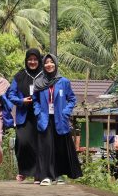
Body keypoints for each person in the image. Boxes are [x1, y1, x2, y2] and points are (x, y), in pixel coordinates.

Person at [33, 53, 83, 186]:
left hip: (60, 119)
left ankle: (59, 175)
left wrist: (66, 112)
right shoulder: (38, 82)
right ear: (43, 65)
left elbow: (72, 99)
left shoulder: (64, 81)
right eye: (46, 63)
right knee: (46, 147)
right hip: (44, 118)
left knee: (59, 147)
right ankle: (46, 176)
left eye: (51, 62)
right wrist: (38, 112)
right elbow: (35, 100)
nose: (49, 65)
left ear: (55, 64)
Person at [7, 48, 43, 182]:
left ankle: (37, 173)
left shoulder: (44, 75)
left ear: (39, 60)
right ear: (26, 60)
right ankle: (23, 170)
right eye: (30, 59)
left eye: (35, 59)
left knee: (39, 144)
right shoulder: (19, 76)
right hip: (24, 114)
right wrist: (21, 101)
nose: (32, 62)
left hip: (40, 115)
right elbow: (11, 94)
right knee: (22, 142)